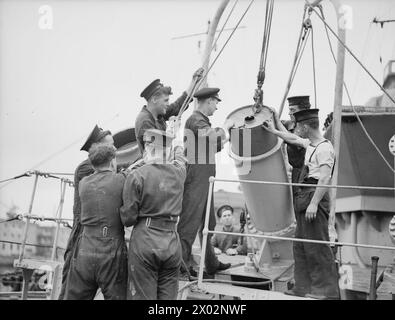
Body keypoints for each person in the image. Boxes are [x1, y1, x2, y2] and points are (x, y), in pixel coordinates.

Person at [262, 108, 340, 300]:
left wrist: (314, 204)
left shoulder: (324, 148)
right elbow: (291, 138)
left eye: (298, 126)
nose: (295, 128)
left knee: (317, 246)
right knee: (300, 245)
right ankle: (302, 286)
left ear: (305, 127)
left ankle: (326, 291)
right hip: (305, 196)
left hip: (315, 197)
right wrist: (273, 130)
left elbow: (324, 179)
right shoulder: (311, 144)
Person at [120, 129, 187, 300]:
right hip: (172, 243)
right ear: (168, 149)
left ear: (148, 148)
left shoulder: (137, 175)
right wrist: (177, 143)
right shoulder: (179, 172)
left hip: (146, 242)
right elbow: (181, 159)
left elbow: (128, 219)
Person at [177, 87, 234, 277]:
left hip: (205, 179)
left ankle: (211, 263)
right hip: (196, 179)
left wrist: (228, 137)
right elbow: (210, 137)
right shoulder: (195, 120)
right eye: (216, 103)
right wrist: (225, 127)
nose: (216, 107)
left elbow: (212, 145)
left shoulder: (201, 122)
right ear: (208, 101)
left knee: (207, 224)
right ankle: (181, 267)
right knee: (189, 223)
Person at [64, 144, 128, 300]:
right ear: (113, 161)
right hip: (111, 250)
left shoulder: (83, 183)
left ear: (92, 164)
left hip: (84, 247)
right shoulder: (121, 180)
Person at [58, 125, 114, 299]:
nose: (115, 149)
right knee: (70, 286)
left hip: (91, 235)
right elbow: (111, 174)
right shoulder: (87, 167)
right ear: (99, 147)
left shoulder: (95, 165)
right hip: (81, 232)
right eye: (111, 145)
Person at [135, 68, 204, 154]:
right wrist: (172, 130)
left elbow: (178, 105)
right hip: (155, 165)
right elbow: (156, 150)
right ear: (155, 99)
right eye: (165, 100)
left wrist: (194, 82)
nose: (168, 104)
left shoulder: (157, 114)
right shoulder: (144, 120)